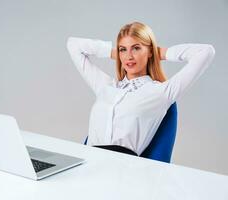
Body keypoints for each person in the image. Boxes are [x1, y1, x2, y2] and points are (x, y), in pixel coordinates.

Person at [66, 21, 215, 156]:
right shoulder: (106, 86)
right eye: (123, 49)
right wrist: (115, 53)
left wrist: (159, 53)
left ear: (150, 51)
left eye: (136, 48)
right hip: (87, 163)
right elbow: (73, 45)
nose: (129, 56)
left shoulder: (160, 92)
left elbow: (206, 52)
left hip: (122, 171)